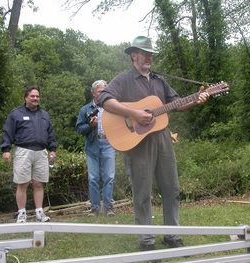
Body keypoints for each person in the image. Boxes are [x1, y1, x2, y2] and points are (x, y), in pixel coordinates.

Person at [97, 36, 209, 251]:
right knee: (142, 193)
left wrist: (196, 99)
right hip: (137, 143)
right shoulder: (123, 79)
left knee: (172, 188)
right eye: (144, 53)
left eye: (150, 53)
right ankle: (146, 240)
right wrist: (133, 113)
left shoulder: (159, 80)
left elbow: (177, 104)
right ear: (133, 55)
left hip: (163, 138)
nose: (149, 57)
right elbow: (104, 99)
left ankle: (172, 235)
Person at [0, 85, 56, 223]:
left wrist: (53, 149)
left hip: (41, 152)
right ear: (26, 97)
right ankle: (22, 213)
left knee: (38, 184)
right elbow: (7, 132)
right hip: (23, 151)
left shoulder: (44, 115)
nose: (35, 98)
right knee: (22, 183)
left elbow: (51, 134)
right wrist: (6, 150)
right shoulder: (16, 114)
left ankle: (39, 212)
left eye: (37, 96)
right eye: (32, 96)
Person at [75, 80, 116, 217]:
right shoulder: (85, 109)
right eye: (100, 91)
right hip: (93, 145)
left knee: (109, 177)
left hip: (109, 144)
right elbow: (79, 129)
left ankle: (109, 208)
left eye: (105, 91)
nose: (103, 94)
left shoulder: (112, 107)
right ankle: (95, 208)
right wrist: (91, 126)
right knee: (93, 178)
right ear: (93, 93)